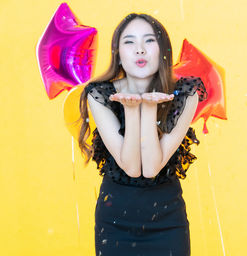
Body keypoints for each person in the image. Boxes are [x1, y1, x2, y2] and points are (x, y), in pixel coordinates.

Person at [77, 13, 207, 256]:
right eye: (129, 42)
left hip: (168, 221)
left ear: (163, 49)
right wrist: (130, 108)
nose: (139, 50)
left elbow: (151, 168)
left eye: (149, 41)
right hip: (115, 222)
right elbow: (131, 167)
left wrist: (148, 108)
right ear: (118, 53)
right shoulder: (99, 93)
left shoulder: (186, 92)